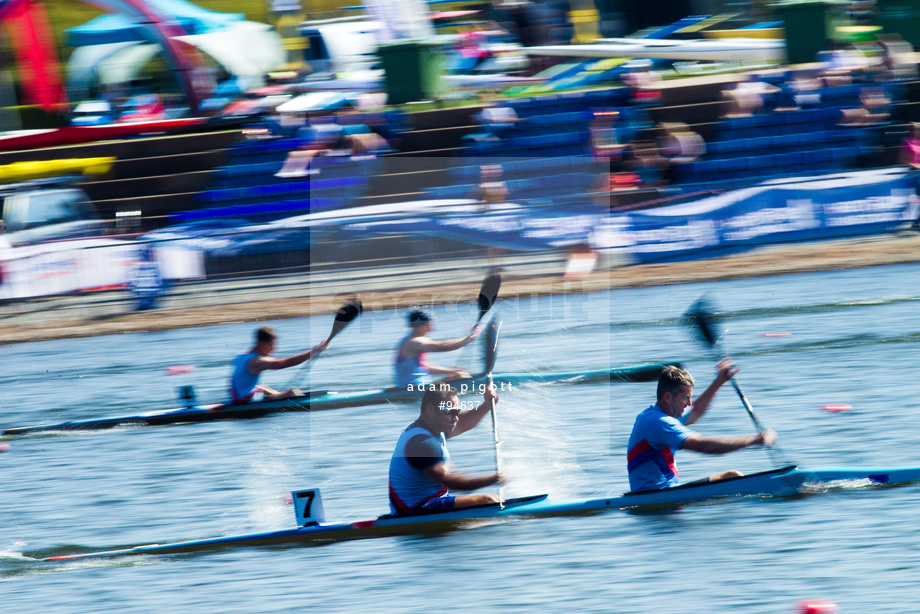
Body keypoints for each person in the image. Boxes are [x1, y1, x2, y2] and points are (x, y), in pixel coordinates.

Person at [626, 360, 776, 492]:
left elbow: (696, 410)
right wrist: (754, 440)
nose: (689, 403)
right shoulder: (660, 423)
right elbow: (703, 446)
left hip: (662, 493)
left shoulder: (656, 416)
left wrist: (719, 381)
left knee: (731, 477)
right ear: (667, 397)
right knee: (734, 478)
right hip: (655, 495)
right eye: (686, 398)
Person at [388, 385, 504, 515]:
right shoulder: (422, 444)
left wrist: (487, 404)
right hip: (418, 509)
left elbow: (464, 423)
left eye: (457, 412)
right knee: (490, 500)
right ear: (431, 409)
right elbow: (451, 482)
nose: (456, 418)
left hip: (431, 502)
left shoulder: (432, 427)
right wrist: (494, 479)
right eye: (450, 412)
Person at [229, 325, 330, 403]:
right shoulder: (256, 362)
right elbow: (286, 363)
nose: (274, 349)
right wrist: (315, 350)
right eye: (271, 345)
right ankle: (283, 396)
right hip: (245, 402)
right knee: (293, 392)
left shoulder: (241, 356)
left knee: (260, 387)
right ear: (261, 343)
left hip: (235, 400)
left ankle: (279, 395)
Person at [395, 310, 483, 389]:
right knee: (460, 376)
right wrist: (471, 337)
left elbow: (424, 367)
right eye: (429, 325)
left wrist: (451, 371)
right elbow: (443, 346)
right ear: (420, 326)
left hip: (416, 386)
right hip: (415, 387)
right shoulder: (413, 341)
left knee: (458, 374)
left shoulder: (410, 341)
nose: (432, 329)